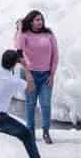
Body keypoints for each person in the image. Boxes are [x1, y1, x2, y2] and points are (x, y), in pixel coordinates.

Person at [15, 9, 59, 144]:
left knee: (45, 104)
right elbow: (18, 49)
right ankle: (30, 132)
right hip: (30, 74)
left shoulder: (49, 34)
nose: (40, 22)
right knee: (30, 103)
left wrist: (52, 75)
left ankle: (46, 131)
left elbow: (55, 55)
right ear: (31, 22)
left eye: (41, 19)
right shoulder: (25, 35)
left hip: (46, 75)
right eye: (37, 20)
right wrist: (21, 29)